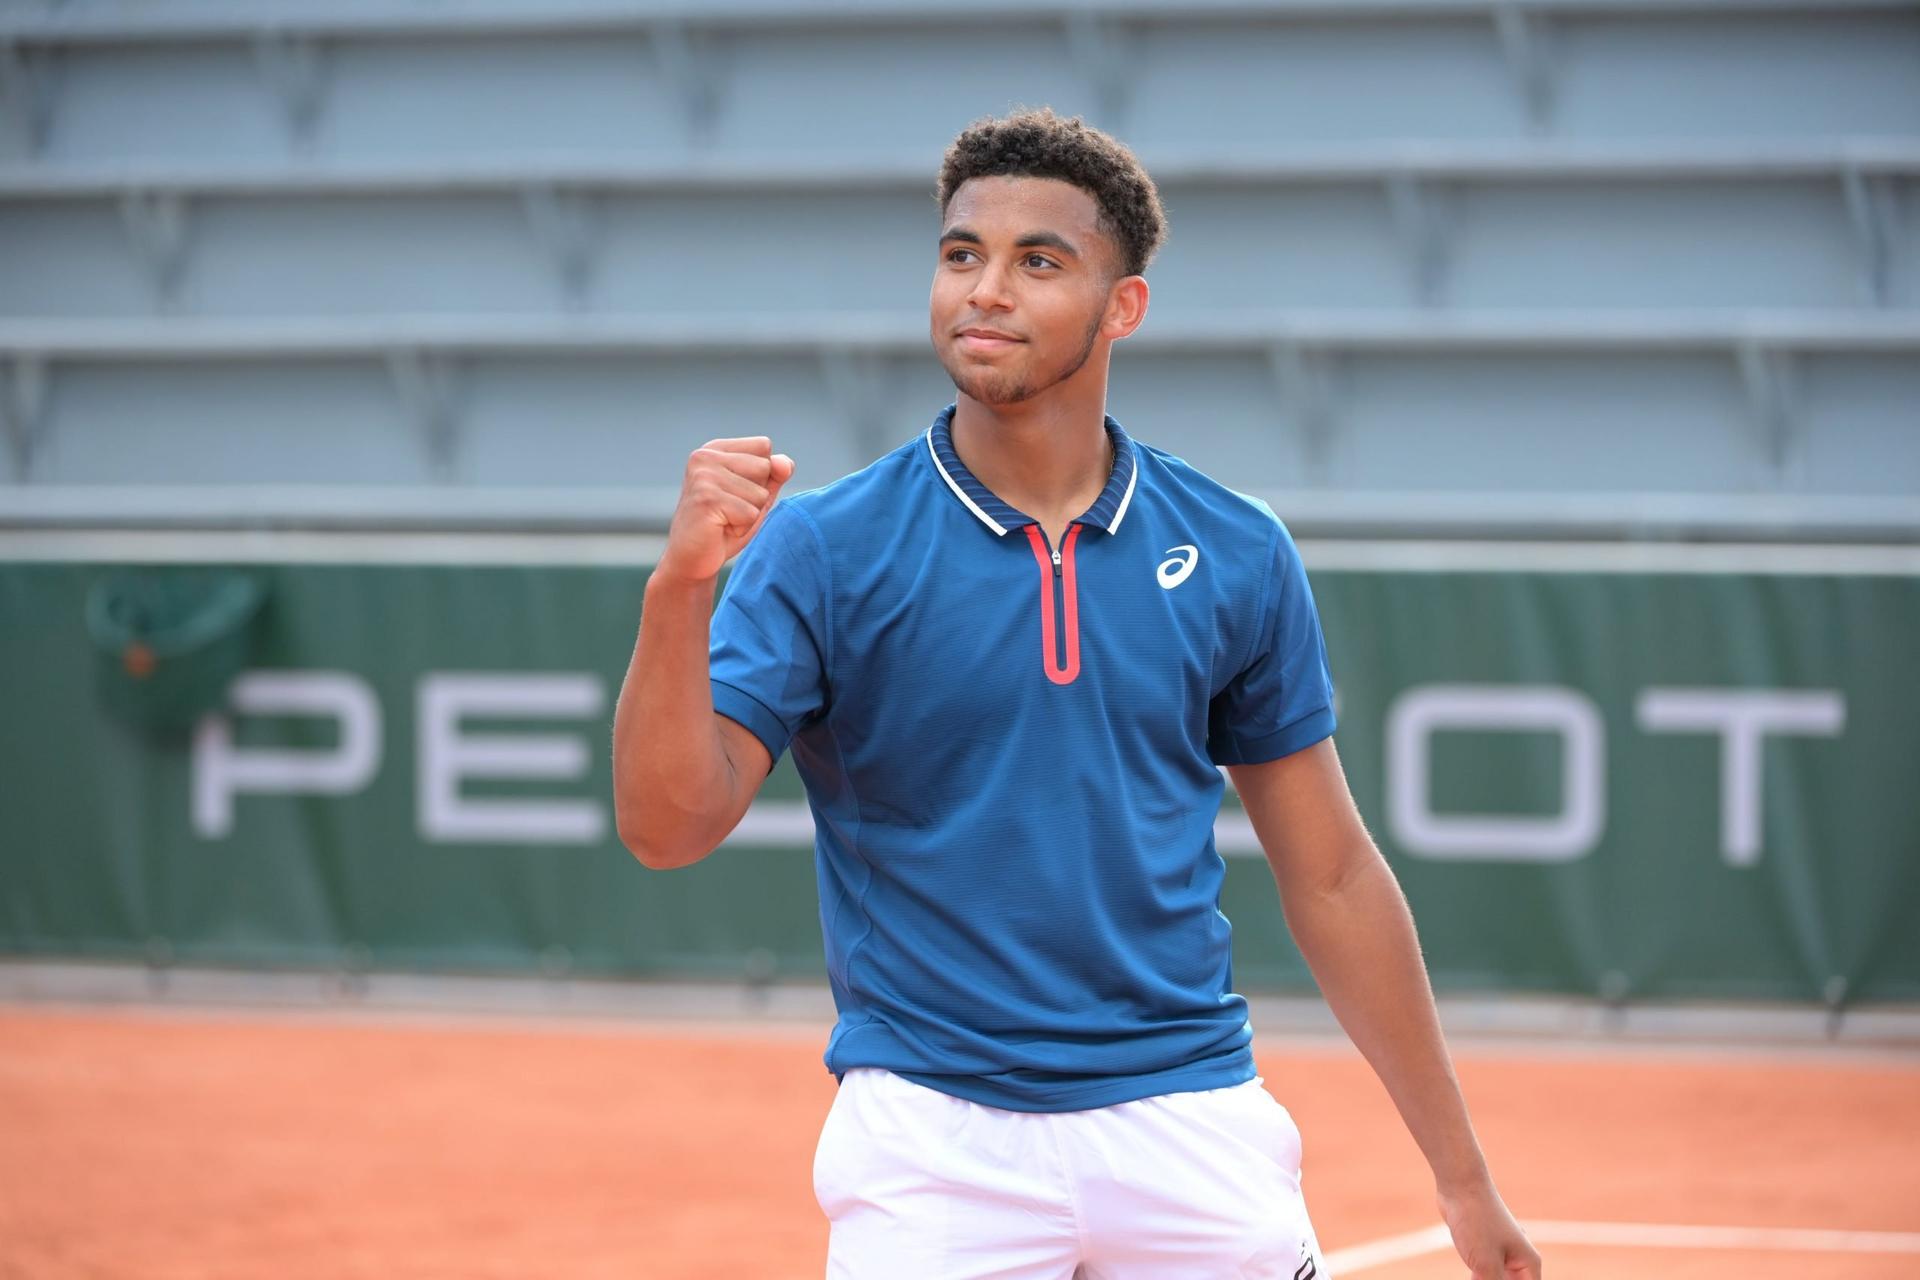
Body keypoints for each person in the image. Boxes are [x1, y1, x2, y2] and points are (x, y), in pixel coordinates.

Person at [612, 107, 1542, 1280]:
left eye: (1036, 261)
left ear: (1124, 307)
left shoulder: (1237, 548)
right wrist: (680, 589)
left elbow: (1335, 872)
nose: (985, 289)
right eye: (962, 255)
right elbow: (666, 823)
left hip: (1193, 1117)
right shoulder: (821, 548)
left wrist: (1460, 1173)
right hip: (932, 1146)